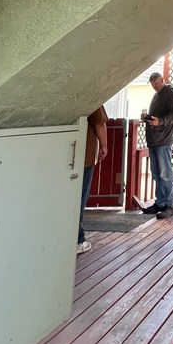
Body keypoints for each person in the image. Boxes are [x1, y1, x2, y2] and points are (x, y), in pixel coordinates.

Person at [141, 72, 173, 219]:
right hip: (153, 140)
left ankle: (169, 205)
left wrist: (161, 121)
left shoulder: (171, 94)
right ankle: (160, 202)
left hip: (163, 140)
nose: (154, 87)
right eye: (152, 85)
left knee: (165, 173)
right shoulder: (157, 95)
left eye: (156, 84)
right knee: (157, 173)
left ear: (162, 81)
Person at [77, 106, 109, 254]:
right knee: (80, 198)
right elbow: (99, 122)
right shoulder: (92, 96)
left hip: (62, 152)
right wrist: (104, 146)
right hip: (85, 154)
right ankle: (78, 239)